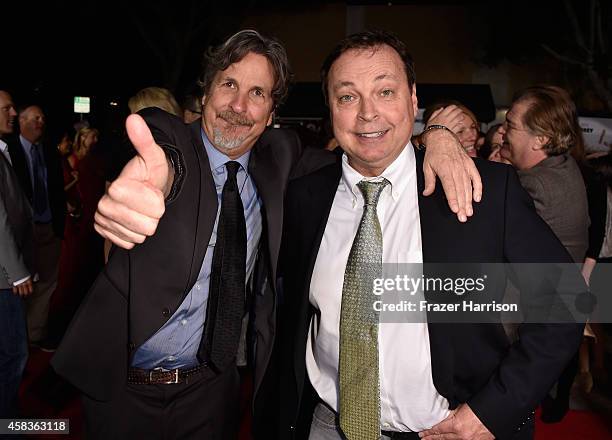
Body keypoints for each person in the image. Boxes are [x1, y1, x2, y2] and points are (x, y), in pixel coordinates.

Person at [51, 30, 479, 439]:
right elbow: (158, 133)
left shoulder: (281, 161)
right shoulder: (170, 148)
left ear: (272, 113)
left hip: (212, 390)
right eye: (229, 85)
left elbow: (365, 152)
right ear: (205, 95)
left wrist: (436, 135)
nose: (239, 105)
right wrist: (147, 180)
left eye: (257, 93)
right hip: (122, 386)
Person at [277, 30, 585, 440]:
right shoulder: (305, 196)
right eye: (348, 96)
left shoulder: (484, 190)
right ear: (330, 107)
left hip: (444, 429)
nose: (368, 113)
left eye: (385, 92)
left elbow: (564, 299)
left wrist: (493, 410)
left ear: (413, 99)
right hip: (327, 424)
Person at [6, 104, 65, 345]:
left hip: (49, 227)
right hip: (22, 233)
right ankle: (15, 335)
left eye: (42, 117)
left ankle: (34, 335)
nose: (41, 121)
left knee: (48, 283)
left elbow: (56, 189)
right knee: (21, 284)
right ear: (21, 121)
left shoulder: (49, 150)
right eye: (35, 117)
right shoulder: (8, 151)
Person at [0, 90, 33, 417]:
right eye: (7, 108)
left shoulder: (3, 149)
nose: (13, 112)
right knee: (14, 354)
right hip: (3, 277)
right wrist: (18, 270)